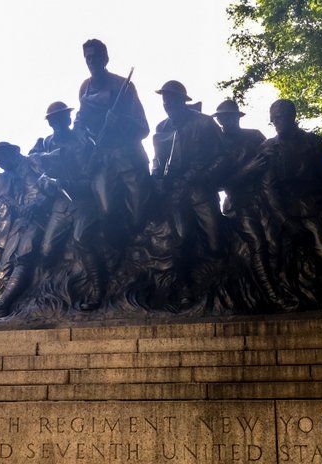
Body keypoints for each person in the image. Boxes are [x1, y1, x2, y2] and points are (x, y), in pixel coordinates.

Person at [214, 100, 294, 309]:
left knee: (275, 242)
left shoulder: (255, 136)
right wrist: (247, 170)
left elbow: (271, 163)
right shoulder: (217, 144)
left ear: (237, 118)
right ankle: (273, 296)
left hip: (263, 200)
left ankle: (280, 290)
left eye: (230, 117)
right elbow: (218, 184)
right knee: (257, 244)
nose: (226, 122)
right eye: (223, 118)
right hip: (237, 205)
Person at [260, 99, 322, 308]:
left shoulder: (313, 142)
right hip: (281, 212)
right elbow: (269, 189)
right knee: (275, 254)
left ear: (292, 117)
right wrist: (284, 220)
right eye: (273, 120)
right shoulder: (268, 147)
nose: (276, 123)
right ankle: (285, 301)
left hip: (310, 208)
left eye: (280, 118)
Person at [0, 142, 56, 321]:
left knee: (23, 255)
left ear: (9, 154)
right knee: (3, 265)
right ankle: (10, 305)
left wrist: (39, 204)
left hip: (45, 216)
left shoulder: (34, 161)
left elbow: (56, 181)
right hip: (22, 221)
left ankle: (1, 307)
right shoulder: (8, 178)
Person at [33, 101, 106, 310]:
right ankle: (51, 296)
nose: (59, 123)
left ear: (68, 119)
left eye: (62, 118)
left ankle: (97, 291)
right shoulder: (46, 144)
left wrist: (70, 184)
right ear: (51, 123)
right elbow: (39, 173)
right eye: (54, 120)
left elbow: (91, 177)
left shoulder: (83, 142)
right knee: (46, 250)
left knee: (81, 238)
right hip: (60, 204)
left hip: (83, 202)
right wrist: (47, 183)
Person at [74, 39, 151, 230]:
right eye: (87, 57)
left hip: (129, 161)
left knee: (138, 216)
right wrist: (80, 133)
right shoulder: (85, 88)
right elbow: (80, 120)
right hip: (101, 160)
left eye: (95, 57)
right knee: (106, 213)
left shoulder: (123, 85)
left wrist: (121, 121)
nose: (91, 61)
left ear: (105, 59)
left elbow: (143, 127)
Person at [151, 81, 228, 257]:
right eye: (164, 101)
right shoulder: (162, 128)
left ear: (182, 100)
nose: (167, 105)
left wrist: (205, 177)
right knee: (181, 240)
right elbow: (157, 160)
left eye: (171, 100)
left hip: (201, 190)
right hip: (175, 192)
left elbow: (223, 155)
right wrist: (156, 177)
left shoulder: (205, 123)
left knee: (215, 244)